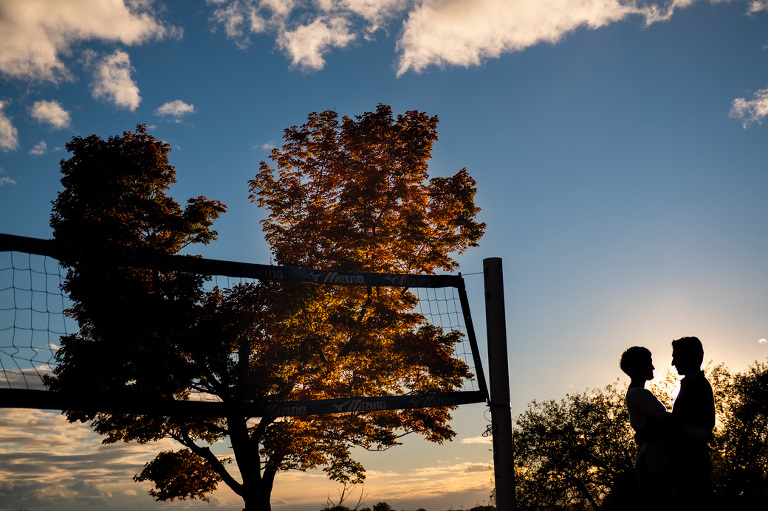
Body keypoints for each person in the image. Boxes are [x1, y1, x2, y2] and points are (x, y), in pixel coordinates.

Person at [620, 346, 673, 508]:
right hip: (654, 460)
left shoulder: (635, 394)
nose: (653, 367)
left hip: (653, 458)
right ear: (638, 366)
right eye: (649, 362)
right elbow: (667, 421)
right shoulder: (639, 394)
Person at [670, 336, 715, 509]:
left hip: (692, 465)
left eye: (676, 356)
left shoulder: (698, 386)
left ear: (690, 356)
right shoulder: (692, 384)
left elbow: (704, 425)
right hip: (689, 464)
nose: (673, 363)